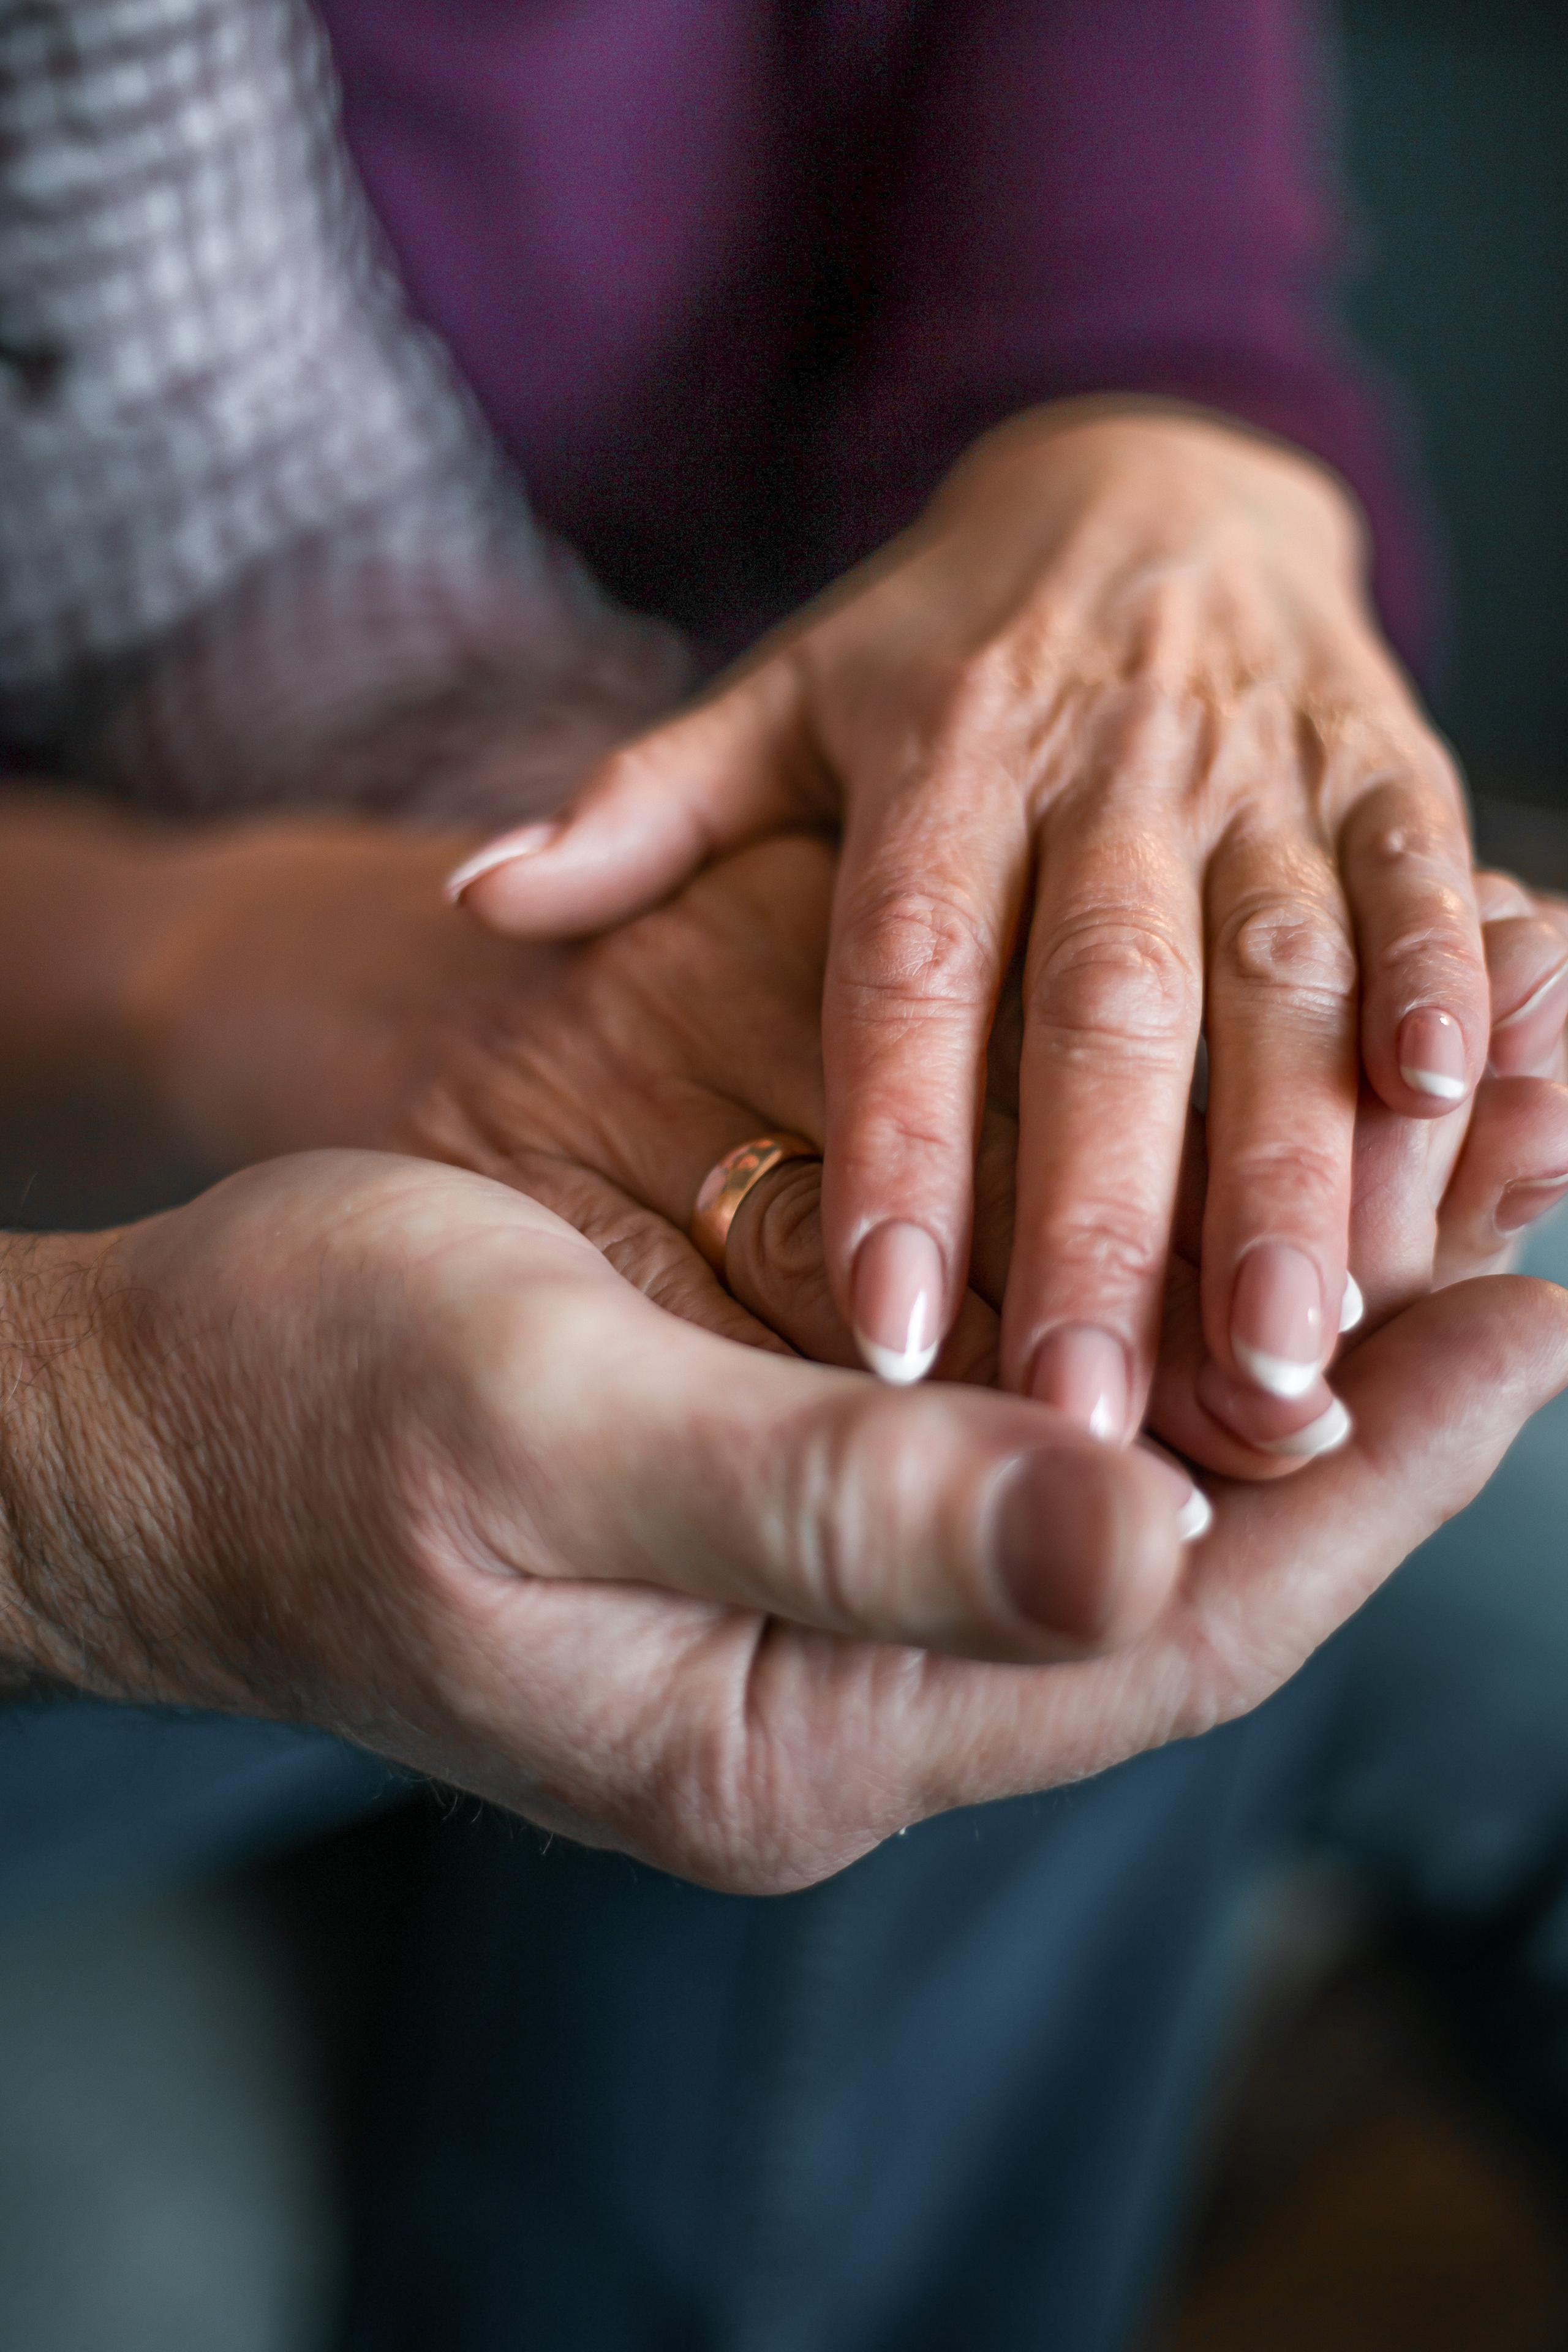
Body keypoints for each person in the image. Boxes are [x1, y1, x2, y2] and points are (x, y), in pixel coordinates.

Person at [1, 1, 1566, 2346]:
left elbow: (1141, 314)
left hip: (612, 915)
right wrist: (218, 1025)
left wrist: (1167, 518)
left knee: (1161, 1277)